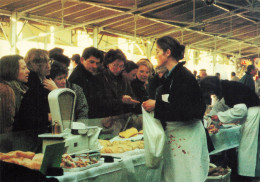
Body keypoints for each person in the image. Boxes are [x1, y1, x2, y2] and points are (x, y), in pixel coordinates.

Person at [143, 36, 209, 182]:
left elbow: (187, 110)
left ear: (168, 52)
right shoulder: (170, 76)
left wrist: (156, 105)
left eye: (157, 51)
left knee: (186, 176)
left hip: (187, 136)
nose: (155, 55)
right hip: (177, 136)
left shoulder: (183, 76)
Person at [200, 76, 260, 180]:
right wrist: (211, 118)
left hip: (253, 114)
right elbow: (221, 106)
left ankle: (245, 176)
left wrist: (219, 117)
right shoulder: (226, 87)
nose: (211, 95)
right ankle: (250, 174)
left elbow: (241, 110)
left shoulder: (229, 89)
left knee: (247, 148)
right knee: (250, 148)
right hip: (251, 113)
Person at [13, 49, 57, 134]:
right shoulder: (33, 84)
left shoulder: (42, 81)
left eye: (49, 62)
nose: (49, 66)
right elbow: (28, 115)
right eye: (45, 63)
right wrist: (56, 90)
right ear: (36, 65)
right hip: (31, 134)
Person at [68, 47, 106, 118]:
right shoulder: (77, 77)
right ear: (82, 60)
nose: (95, 66)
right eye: (91, 62)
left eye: (97, 63)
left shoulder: (90, 74)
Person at [101, 49, 139, 117]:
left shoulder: (124, 79)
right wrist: (121, 101)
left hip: (120, 118)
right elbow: (100, 102)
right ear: (107, 64)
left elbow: (132, 96)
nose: (118, 69)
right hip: (104, 118)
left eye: (121, 66)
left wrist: (131, 100)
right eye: (115, 65)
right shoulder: (100, 78)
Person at [0, 55, 30, 133]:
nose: (28, 71)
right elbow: (6, 125)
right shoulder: (7, 90)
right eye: (23, 68)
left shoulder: (19, 88)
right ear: (11, 70)